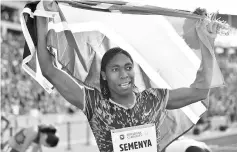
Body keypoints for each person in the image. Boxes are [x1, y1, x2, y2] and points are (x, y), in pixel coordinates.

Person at [36, 14, 218, 152]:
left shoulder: (153, 98)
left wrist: (208, 44)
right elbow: (48, 69)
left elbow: (200, 92)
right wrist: (42, 17)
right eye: (115, 69)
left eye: (128, 67)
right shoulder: (95, 103)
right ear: (104, 75)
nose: (124, 74)